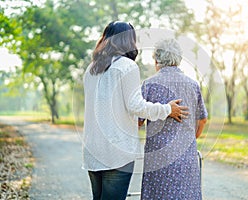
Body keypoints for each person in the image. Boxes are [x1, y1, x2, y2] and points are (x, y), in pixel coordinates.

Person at [82, 21, 189, 200]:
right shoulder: (127, 66)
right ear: (129, 41)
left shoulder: (91, 68)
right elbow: (136, 106)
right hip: (116, 152)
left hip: (93, 150)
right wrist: (167, 109)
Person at [139, 38, 208, 199]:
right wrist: (189, 139)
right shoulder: (193, 85)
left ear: (157, 59)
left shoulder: (149, 85)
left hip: (157, 158)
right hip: (186, 157)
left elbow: (138, 121)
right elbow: (202, 120)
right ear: (179, 58)